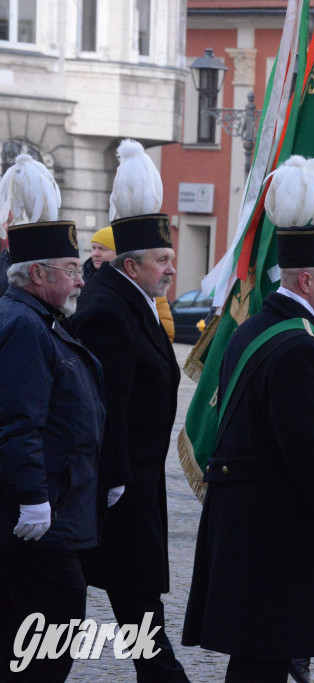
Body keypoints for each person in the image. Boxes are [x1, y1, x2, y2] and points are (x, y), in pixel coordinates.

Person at [183, 157, 314, 682]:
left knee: (257, 660)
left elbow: (267, 421)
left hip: (249, 519)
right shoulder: (299, 345)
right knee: (264, 662)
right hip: (273, 527)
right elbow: (306, 453)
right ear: (306, 278)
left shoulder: (256, 327)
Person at [69, 140, 190, 682]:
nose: (171, 269)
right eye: (163, 260)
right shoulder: (107, 311)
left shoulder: (133, 299)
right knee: (141, 619)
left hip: (137, 481)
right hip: (121, 488)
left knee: (142, 620)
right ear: (132, 262)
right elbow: (105, 406)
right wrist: (115, 479)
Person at [0, 155, 106, 682]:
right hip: (41, 520)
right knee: (46, 644)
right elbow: (18, 421)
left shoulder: (41, 319)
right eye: (70, 271)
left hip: (61, 509)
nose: (80, 280)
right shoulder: (24, 326)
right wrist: (33, 498)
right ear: (37, 274)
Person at [85, 225, 174, 340]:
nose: (95, 254)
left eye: (102, 249)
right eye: (93, 248)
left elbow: (166, 333)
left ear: (119, 254)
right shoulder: (81, 281)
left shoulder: (149, 287)